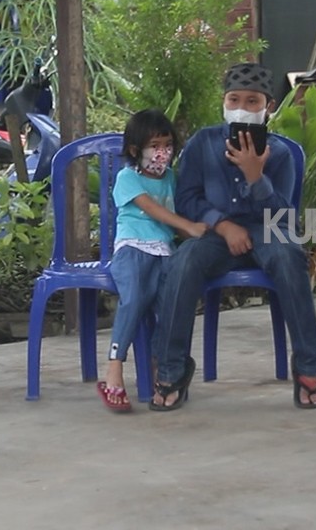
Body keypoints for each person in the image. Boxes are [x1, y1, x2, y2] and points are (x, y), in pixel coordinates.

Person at [151, 62, 316, 411]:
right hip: (216, 233)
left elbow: (282, 216)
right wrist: (223, 224)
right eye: (234, 99)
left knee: (289, 258)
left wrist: (255, 175)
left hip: (267, 230)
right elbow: (187, 198)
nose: (242, 109)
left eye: (252, 102)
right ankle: (172, 368)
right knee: (184, 262)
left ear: (268, 107)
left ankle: (309, 368)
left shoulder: (281, 152)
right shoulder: (203, 143)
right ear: (224, 101)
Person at [98, 110, 208, 412]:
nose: (163, 153)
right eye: (155, 145)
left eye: (168, 144)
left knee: (170, 307)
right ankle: (114, 370)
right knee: (133, 299)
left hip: (165, 251)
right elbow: (154, 211)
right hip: (132, 247)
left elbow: (183, 211)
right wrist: (189, 227)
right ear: (135, 150)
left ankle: (165, 369)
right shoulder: (127, 177)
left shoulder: (173, 178)